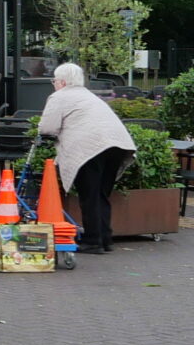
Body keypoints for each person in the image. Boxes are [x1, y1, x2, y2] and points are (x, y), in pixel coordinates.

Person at [43, 62, 137, 254]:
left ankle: (93, 241)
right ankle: (105, 238)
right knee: (101, 194)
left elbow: (47, 128)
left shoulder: (59, 96)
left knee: (89, 195)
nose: (54, 84)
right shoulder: (89, 96)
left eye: (54, 80)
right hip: (118, 145)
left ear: (62, 82)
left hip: (89, 148)